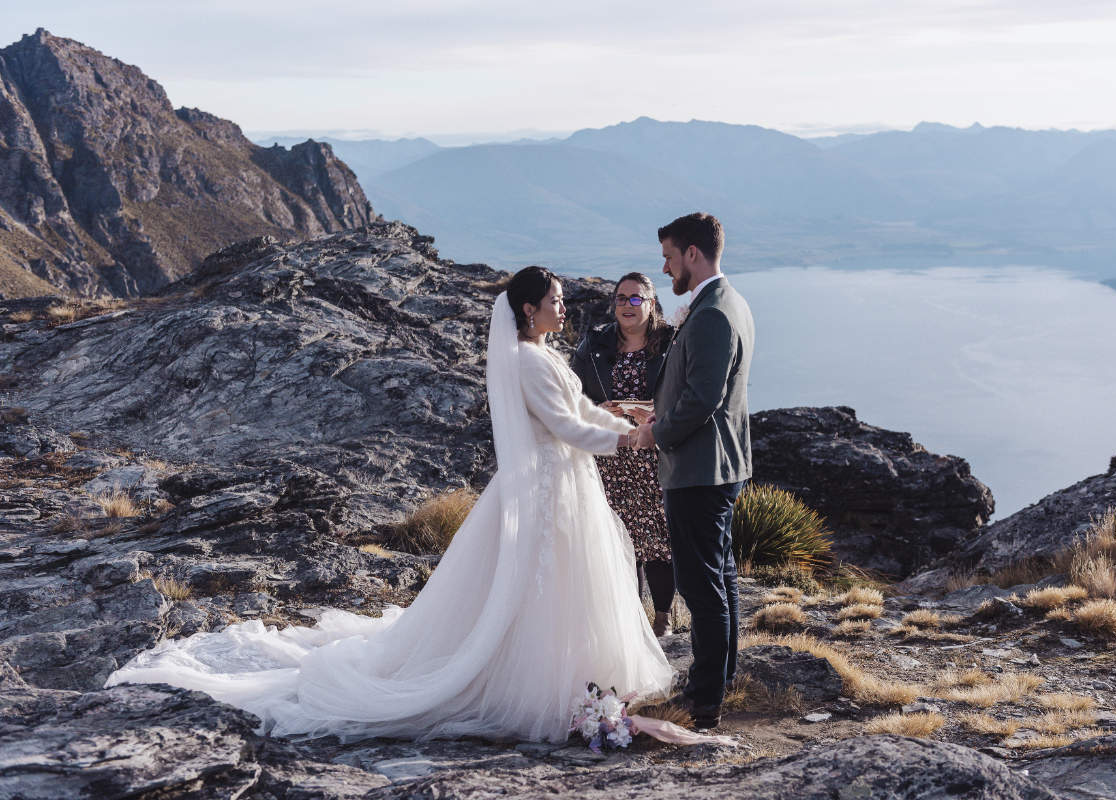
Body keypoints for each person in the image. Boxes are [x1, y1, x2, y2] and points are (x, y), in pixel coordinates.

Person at [106, 266, 675, 743]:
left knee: (563, 580)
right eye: (553, 302)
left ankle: (574, 675)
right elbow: (562, 424)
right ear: (528, 310)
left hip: (566, 482)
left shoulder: (547, 355)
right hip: (549, 484)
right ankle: (532, 681)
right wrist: (627, 439)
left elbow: (582, 408)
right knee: (537, 582)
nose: (562, 308)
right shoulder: (528, 362)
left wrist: (623, 419)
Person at [633, 213, 755, 731]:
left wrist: (653, 434)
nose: (664, 267)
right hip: (717, 465)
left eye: (668, 256)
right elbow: (701, 390)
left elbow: (704, 398)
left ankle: (704, 701)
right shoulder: (724, 303)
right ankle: (720, 679)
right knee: (720, 576)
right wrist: (657, 411)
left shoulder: (711, 315)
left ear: (692, 254)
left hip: (701, 471)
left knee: (700, 585)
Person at [570, 272, 676, 637]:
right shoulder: (596, 342)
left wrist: (659, 412)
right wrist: (597, 407)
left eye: (636, 299)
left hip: (654, 456)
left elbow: (686, 394)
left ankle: (662, 618)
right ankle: (629, 623)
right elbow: (572, 394)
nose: (626, 306)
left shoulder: (671, 343)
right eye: (620, 298)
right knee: (618, 537)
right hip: (610, 455)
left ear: (651, 304)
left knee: (657, 540)